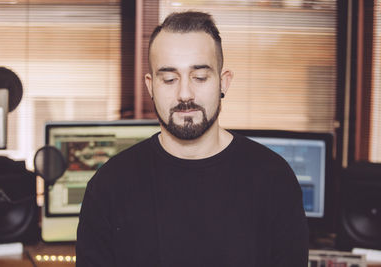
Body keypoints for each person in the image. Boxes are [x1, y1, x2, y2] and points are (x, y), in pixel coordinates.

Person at [76, 11, 309, 267]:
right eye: (169, 79)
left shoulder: (274, 179)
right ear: (150, 86)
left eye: (199, 77)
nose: (185, 93)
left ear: (223, 82)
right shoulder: (109, 186)